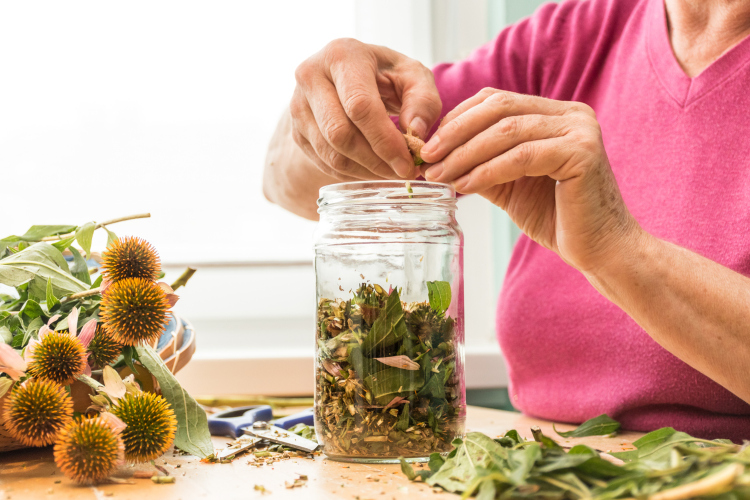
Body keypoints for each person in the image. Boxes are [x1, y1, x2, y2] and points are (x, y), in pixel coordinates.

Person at [263, 0, 750, 440]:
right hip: (542, 467)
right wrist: (327, 105)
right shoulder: (575, 33)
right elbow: (288, 182)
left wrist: (615, 250)